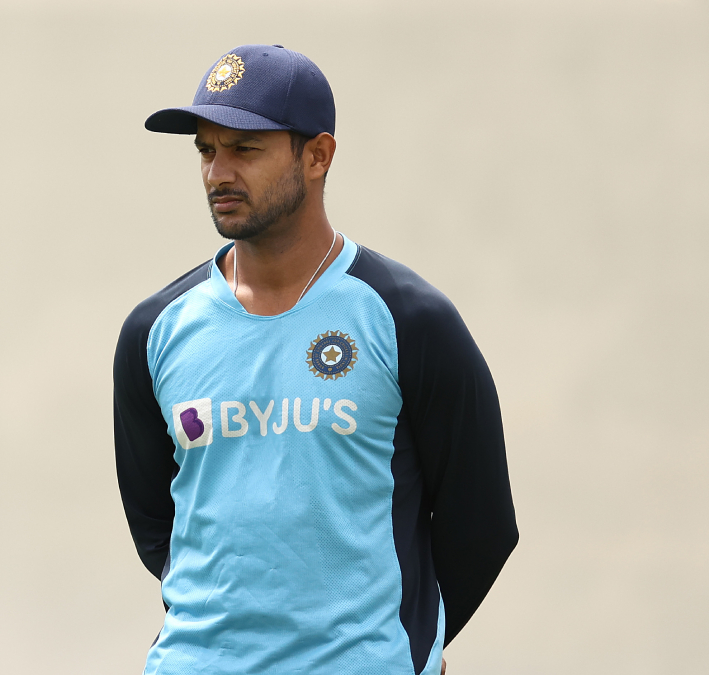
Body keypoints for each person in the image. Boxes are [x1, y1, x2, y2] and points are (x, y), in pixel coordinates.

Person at [112, 44, 518, 675]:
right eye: (206, 150)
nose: (218, 173)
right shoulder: (155, 330)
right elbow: (156, 525)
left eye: (245, 149)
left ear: (318, 156)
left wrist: (406, 647)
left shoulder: (408, 319)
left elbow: (482, 525)